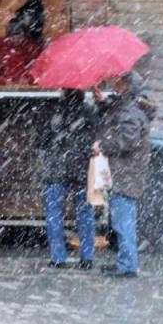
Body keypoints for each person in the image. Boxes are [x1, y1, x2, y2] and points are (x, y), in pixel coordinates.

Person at [93, 72, 155, 278]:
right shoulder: (129, 107)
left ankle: (128, 265)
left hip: (126, 173)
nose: (115, 84)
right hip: (124, 172)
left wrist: (103, 146)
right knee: (122, 220)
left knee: (123, 222)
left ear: (126, 86)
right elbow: (116, 114)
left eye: (119, 81)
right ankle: (125, 262)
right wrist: (103, 102)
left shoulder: (131, 112)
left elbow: (127, 141)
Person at [35, 89, 98, 269]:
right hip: (81, 170)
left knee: (54, 215)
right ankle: (87, 258)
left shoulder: (51, 111)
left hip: (56, 170)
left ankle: (58, 258)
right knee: (85, 215)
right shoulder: (90, 112)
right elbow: (98, 137)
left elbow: (40, 142)